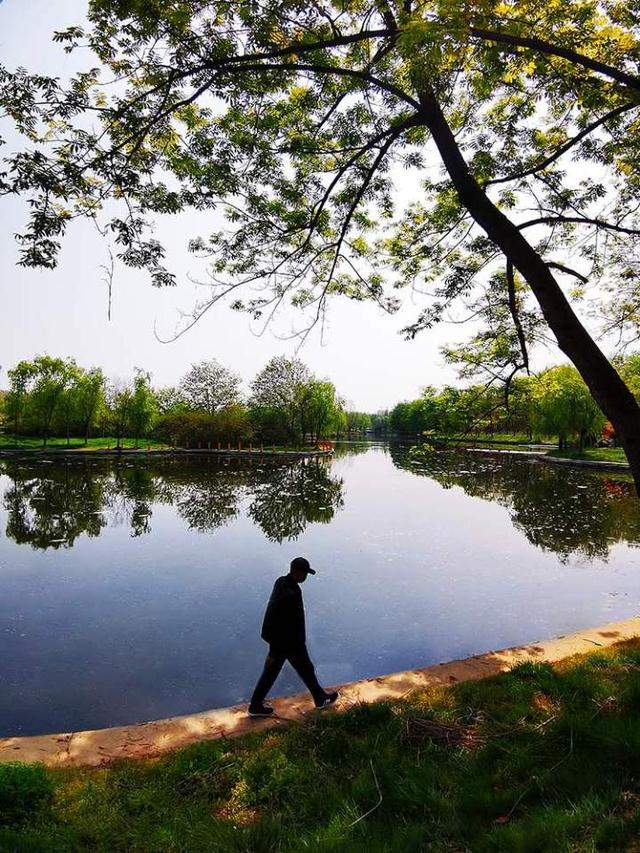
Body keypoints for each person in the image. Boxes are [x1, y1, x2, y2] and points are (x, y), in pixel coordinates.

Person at [248, 557, 339, 717]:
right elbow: (278, 621)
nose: (305, 577)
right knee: (279, 671)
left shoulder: (281, 582)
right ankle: (255, 706)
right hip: (288, 642)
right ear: (296, 571)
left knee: (301, 670)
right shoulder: (290, 593)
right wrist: (273, 651)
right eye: (304, 573)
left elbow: (273, 616)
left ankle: (319, 697)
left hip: (289, 641)